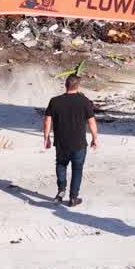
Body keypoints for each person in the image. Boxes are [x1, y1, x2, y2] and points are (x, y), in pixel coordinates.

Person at [43, 74, 98, 206]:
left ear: (65, 85)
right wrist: (94, 137)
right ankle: (73, 197)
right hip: (79, 143)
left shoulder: (55, 101)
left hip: (61, 142)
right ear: (78, 86)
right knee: (77, 169)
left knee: (61, 165)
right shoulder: (85, 101)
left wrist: (46, 138)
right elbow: (91, 122)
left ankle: (61, 190)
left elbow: (47, 121)